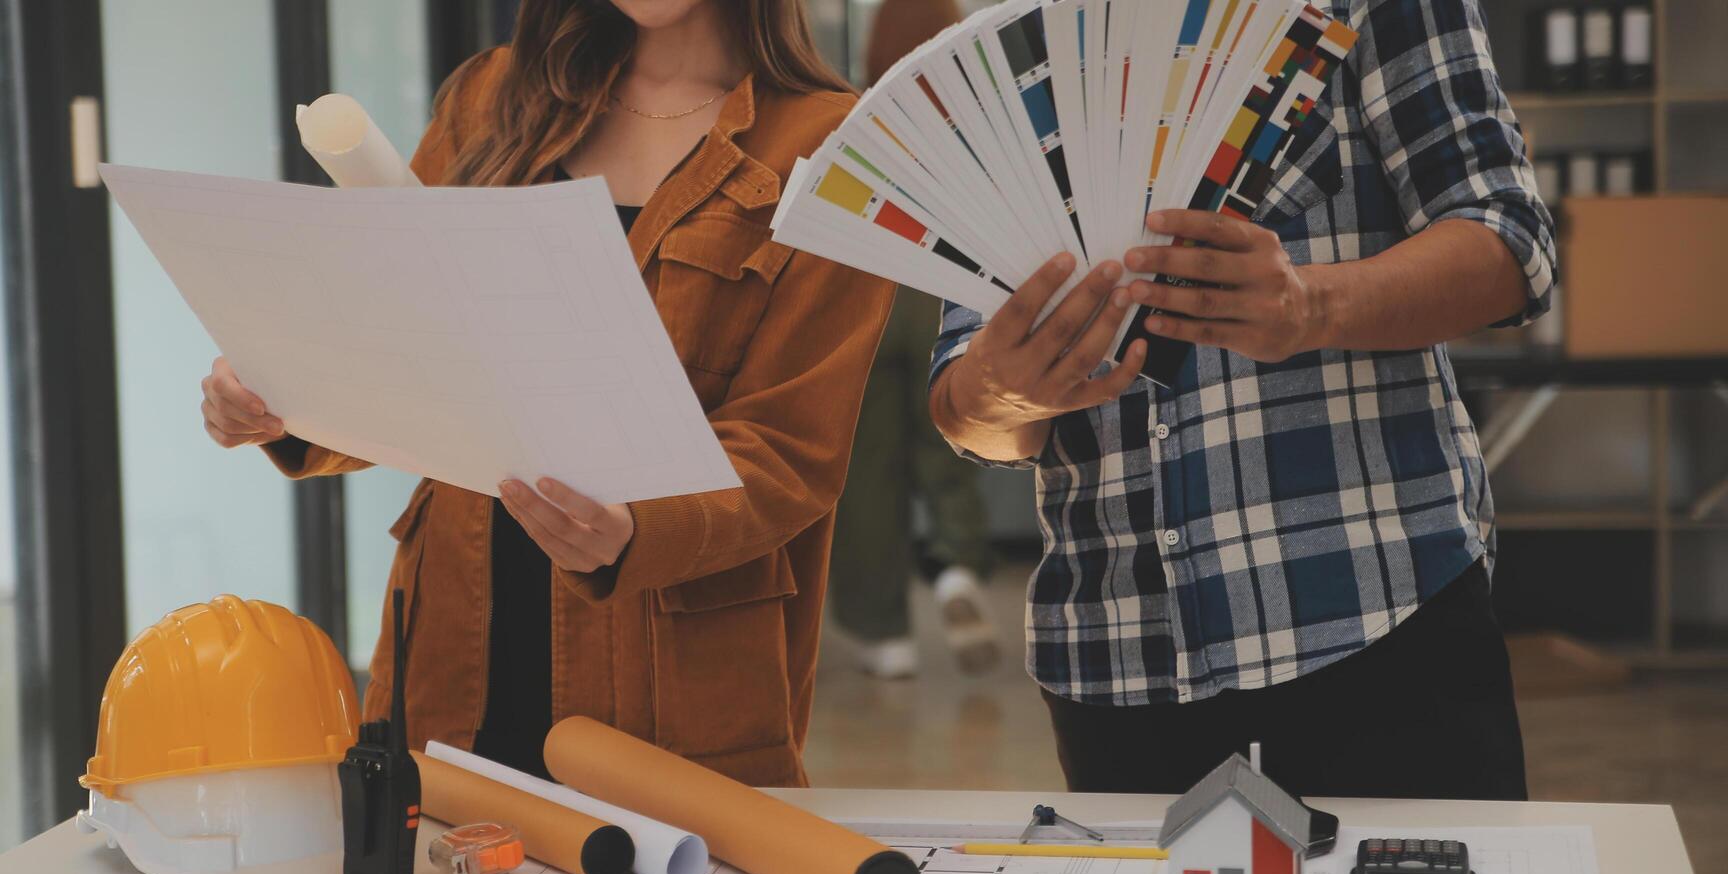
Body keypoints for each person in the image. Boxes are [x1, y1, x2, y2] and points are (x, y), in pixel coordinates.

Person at [199, 0, 895, 787]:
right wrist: (277, 400)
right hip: (454, 660)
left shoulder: (833, 147)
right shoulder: (492, 100)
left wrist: (636, 528)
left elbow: (790, 448)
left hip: (675, 693)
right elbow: (396, 339)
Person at [928, 0, 1554, 801]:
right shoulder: (1010, 39)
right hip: (1112, 661)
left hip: (1374, 620)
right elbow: (965, 409)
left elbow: (1509, 244)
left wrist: (1312, 305)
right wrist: (1003, 393)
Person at [828, 0, 1000, 680]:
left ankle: (885, 636)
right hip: (942, 299)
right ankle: (959, 570)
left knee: (867, 471)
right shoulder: (975, 131)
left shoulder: (853, 123)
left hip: (863, 300)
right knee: (949, 448)